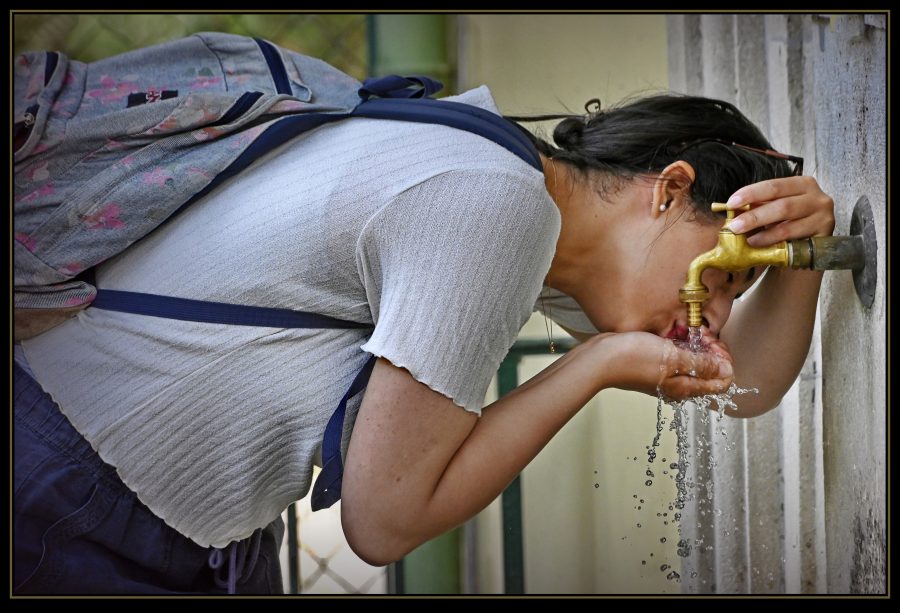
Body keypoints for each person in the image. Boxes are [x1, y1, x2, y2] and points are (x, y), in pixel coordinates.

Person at [13, 81, 834, 593]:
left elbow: (741, 382)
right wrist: (597, 363)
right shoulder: (493, 206)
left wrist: (807, 255)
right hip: (70, 501)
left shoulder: (511, 191)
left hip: (115, 500)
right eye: (722, 276)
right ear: (671, 190)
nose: (714, 313)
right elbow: (386, 520)